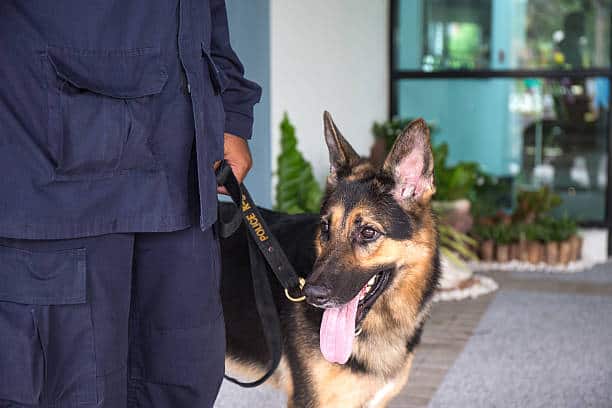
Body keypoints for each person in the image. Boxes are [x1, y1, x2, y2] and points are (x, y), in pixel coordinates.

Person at [0, 1, 261, 407]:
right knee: (71, 387)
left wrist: (230, 111)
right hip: (53, 173)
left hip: (182, 175)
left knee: (183, 377)